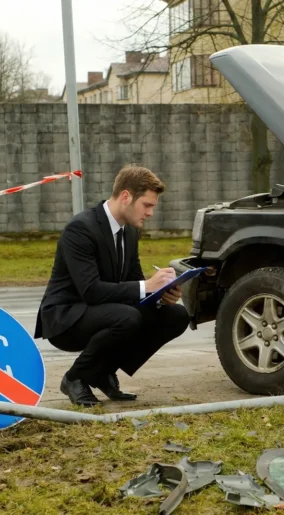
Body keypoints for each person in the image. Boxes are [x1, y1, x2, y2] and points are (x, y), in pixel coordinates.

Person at [34, 164, 189, 407]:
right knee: (126, 317)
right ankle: (74, 378)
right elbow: (91, 290)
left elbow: (134, 283)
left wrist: (160, 295)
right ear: (126, 197)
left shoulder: (130, 232)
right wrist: (146, 285)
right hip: (66, 317)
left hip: (106, 311)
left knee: (176, 315)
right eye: (147, 205)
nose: (150, 213)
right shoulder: (81, 228)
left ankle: (101, 372)